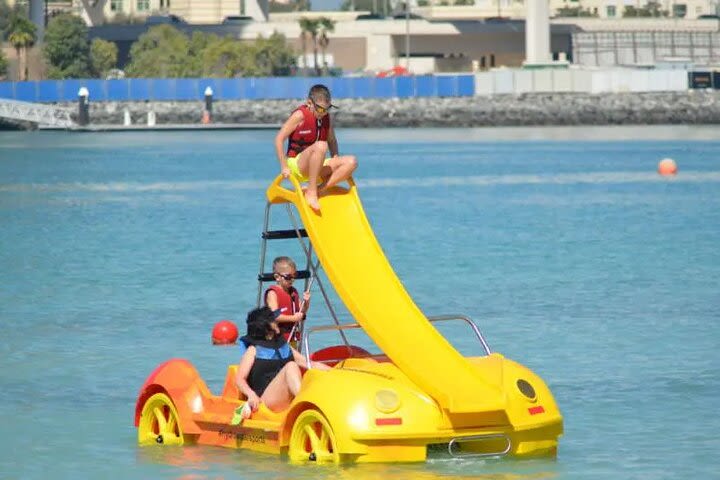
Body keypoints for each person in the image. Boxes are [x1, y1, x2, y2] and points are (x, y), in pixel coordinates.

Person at [274, 84, 358, 211]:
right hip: (297, 166)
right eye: (320, 109)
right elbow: (279, 139)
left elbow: (332, 140)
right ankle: (311, 192)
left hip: (316, 164)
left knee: (351, 162)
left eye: (327, 109)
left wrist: (335, 157)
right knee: (321, 145)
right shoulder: (299, 116)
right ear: (309, 103)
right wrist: (284, 166)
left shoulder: (326, 118)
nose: (323, 113)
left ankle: (318, 189)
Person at [235, 306, 329, 414]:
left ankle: (309, 401)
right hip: (265, 400)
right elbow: (239, 379)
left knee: (307, 372)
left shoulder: (283, 345)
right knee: (291, 366)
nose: (277, 321)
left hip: (283, 396)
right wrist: (251, 395)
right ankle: (305, 404)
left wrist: (334, 372)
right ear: (266, 327)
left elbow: (307, 363)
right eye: (273, 320)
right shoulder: (253, 350)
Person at [264, 256, 309, 345]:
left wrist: (306, 302)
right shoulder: (273, 293)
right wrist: (293, 318)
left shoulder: (293, 292)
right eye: (288, 277)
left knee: (292, 356)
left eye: (294, 276)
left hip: (292, 336)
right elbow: (274, 316)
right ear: (277, 277)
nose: (292, 279)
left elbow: (301, 311)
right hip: (277, 338)